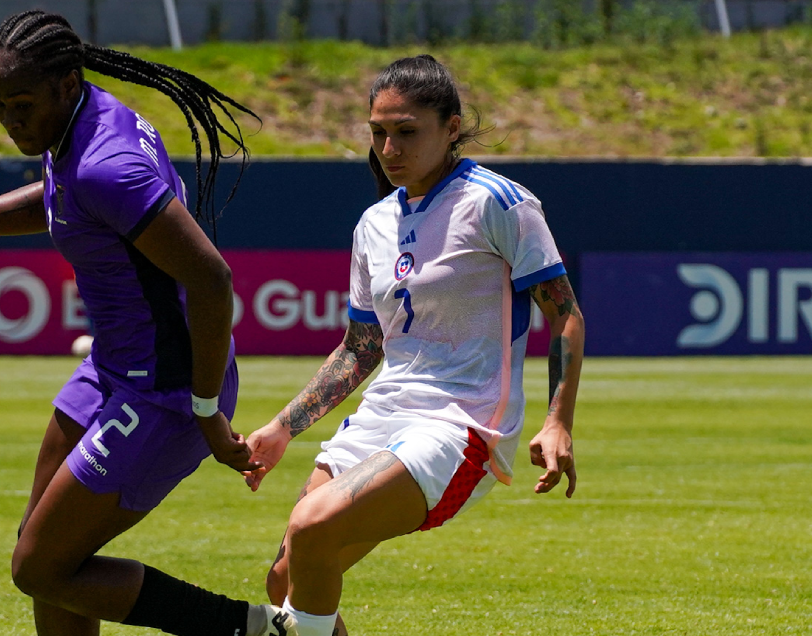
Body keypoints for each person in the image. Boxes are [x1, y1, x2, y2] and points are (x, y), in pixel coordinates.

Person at [0, 10, 292, 636]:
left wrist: (208, 411)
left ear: (65, 82)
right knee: (46, 550)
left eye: (21, 104)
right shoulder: (83, 121)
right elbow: (61, 197)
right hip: (112, 368)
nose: (10, 121)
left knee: (41, 566)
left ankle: (252, 629)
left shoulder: (105, 164)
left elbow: (212, 280)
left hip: (163, 390)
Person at [243, 55, 586, 636]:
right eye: (378, 133)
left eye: (406, 131)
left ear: (451, 128)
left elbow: (566, 316)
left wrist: (558, 422)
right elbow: (360, 348)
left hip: (461, 426)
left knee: (311, 528)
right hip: (383, 416)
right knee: (285, 581)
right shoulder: (372, 223)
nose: (388, 147)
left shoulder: (498, 203)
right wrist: (283, 427)